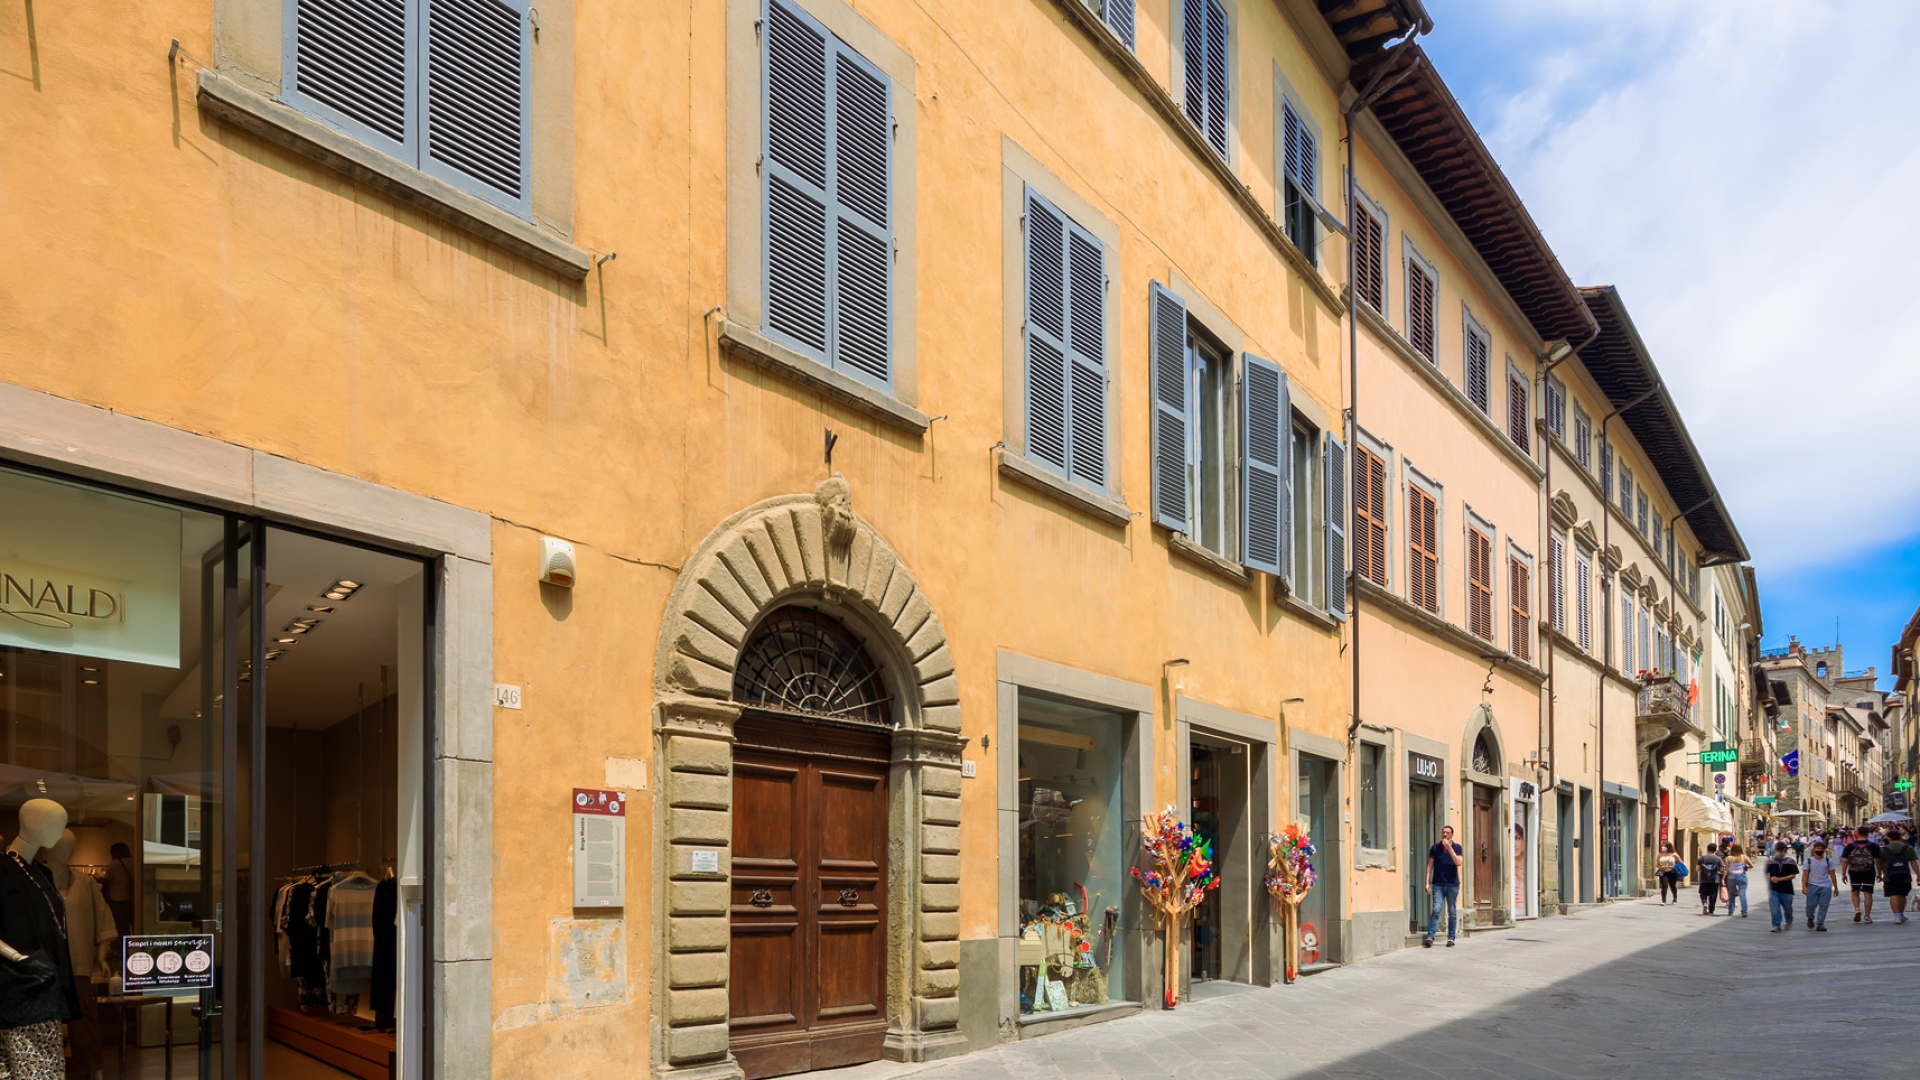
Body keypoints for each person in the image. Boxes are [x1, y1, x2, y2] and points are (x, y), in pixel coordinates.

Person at [1424, 825, 1464, 948]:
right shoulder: (1435, 847)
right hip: (1438, 884)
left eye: (1447, 833)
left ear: (1452, 835)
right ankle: (1430, 937)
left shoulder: (1457, 847)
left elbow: (1458, 862)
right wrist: (1427, 882)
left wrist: (1450, 849)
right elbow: (1430, 865)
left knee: (1452, 911)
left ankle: (1451, 937)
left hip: (1452, 884)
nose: (1445, 834)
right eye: (1443, 832)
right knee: (1436, 909)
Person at [1842, 825, 1881, 923]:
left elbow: (1844, 861)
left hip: (1854, 871)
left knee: (1855, 891)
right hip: (1869, 871)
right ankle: (1867, 916)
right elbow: (1878, 861)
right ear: (1868, 834)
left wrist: (1843, 874)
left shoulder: (1850, 846)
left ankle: (1857, 909)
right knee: (1867, 893)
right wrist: (1880, 873)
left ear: (1857, 834)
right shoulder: (1873, 846)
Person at [1802, 836, 1841, 930]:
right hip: (1812, 885)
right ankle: (1810, 917)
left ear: (1824, 850)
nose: (1819, 850)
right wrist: (1804, 886)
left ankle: (1820, 923)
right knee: (1811, 905)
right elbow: (1805, 874)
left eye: (1821, 848)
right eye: (1817, 848)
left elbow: (1832, 875)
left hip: (1826, 886)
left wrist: (1835, 887)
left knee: (1824, 905)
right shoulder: (1809, 861)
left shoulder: (1828, 861)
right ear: (1814, 849)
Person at [1881, 826, 1918, 925]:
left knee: (1893, 894)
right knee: (1902, 894)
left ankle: (1896, 915)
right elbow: (1913, 862)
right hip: (1904, 874)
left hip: (1889, 875)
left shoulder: (1884, 849)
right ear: (1900, 837)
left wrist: (1880, 874)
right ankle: (1901, 914)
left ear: (1888, 838)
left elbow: (1881, 863)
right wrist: (1918, 875)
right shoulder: (1908, 848)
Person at [1766, 841, 1799, 931]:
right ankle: (1776, 925)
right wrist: (1770, 878)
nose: (1778, 853)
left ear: (1785, 851)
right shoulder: (1771, 861)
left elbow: (1793, 875)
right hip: (1773, 888)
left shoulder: (1791, 862)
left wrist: (1780, 879)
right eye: (1777, 850)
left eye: (1780, 851)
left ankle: (1789, 920)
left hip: (1786, 889)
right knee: (1774, 908)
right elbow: (1766, 873)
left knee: (1787, 908)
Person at [1723, 843, 1751, 918]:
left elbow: (1726, 869)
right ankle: (1744, 912)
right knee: (1742, 894)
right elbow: (1751, 865)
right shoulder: (1745, 857)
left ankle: (1731, 911)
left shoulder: (1728, 858)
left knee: (1731, 894)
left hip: (1731, 876)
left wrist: (1723, 878)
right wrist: (1745, 867)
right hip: (1742, 876)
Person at [1697, 843, 1725, 915]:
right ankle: (1711, 911)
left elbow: (1697, 869)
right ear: (1715, 850)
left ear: (1707, 849)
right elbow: (1722, 869)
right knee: (1713, 895)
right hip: (1715, 879)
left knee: (1702, 893)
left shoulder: (1702, 858)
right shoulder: (1718, 859)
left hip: (1704, 879)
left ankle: (1704, 903)